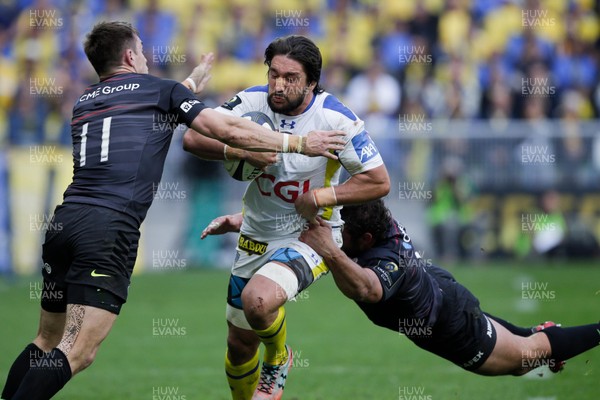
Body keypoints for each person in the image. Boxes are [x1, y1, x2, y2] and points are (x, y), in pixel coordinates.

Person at [1, 21, 346, 400]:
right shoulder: (160, 90)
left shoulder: (88, 100)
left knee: (47, 339)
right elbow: (225, 130)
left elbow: (152, 104)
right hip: (107, 230)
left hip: (64, 223)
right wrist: (298, 142)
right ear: (131, 56)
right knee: (78, 350)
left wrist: (189, 85)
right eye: (143, 51)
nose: (148, 57)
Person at [184, 35, 390, 399]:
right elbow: (193, 139)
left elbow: (378, 180)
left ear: (312, 82)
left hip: (309, 235)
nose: (278, 85)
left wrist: (322, 195)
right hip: (255, 234)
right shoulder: (250, 103)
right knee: (239, 344)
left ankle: (279, 357)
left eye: (290, 78)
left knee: (258, 301)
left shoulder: (335, 119)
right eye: (273, 74)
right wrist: (242, 149)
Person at [204, 200, 600, 378]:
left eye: (345, 238)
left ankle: (576, 336)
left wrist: (329, 252)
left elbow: (369, 290)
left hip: (450, 325)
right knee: (525, 348)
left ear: (368, 237)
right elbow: (320, 222)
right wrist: (243, 220)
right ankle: (547, 337)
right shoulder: (366, 219)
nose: (338, 238)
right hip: (439, 291)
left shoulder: (385, 258)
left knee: (525, 359)